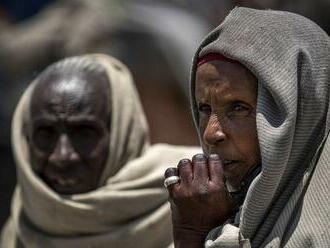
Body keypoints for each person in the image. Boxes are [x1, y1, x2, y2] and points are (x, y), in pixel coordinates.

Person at [164, 7, 330, 247]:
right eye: (204, 108)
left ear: (301, 110)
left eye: (238, 107)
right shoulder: (214, 215)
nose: (211, 134)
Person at [0, 54, 200, 248]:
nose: (62, 155)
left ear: (123, 133)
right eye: (46, 133)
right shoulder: (23, 223)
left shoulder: (196, 193)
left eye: (84, 133)